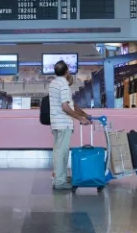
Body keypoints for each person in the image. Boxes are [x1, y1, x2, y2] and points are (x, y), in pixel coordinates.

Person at [49, 60, 89, 191]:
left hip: (55, 123)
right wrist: (80, 119)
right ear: (67, 72)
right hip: (64, 123)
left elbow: (70, 104)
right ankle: (60, 182)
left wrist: (83, 114)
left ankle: (59, 178)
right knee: (62, 153)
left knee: (58, 152)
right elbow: (65, 107)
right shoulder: (64, 85)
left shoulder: (53, 83)